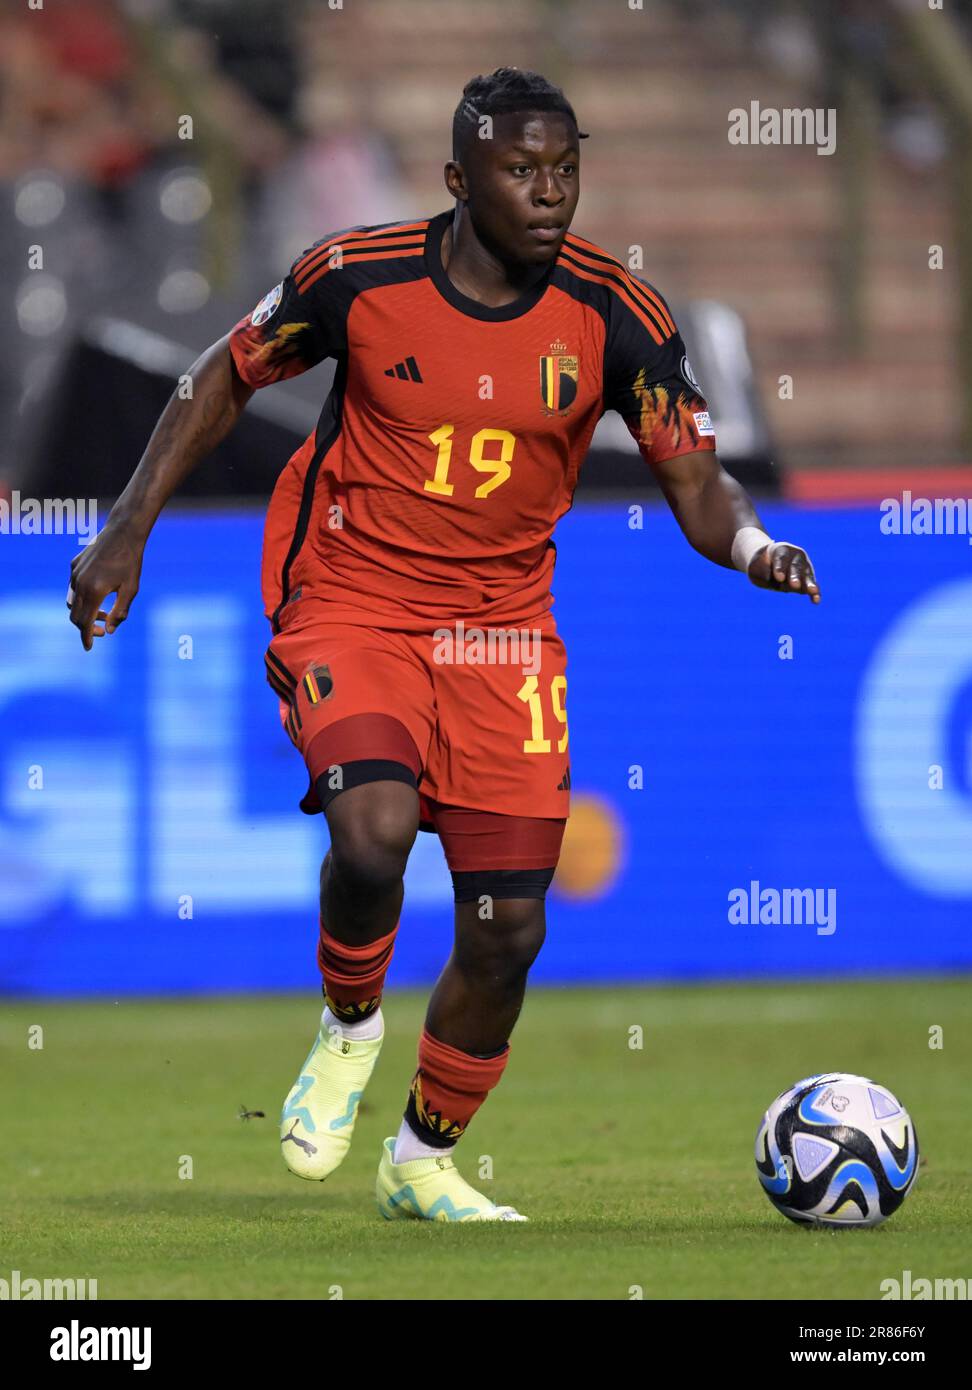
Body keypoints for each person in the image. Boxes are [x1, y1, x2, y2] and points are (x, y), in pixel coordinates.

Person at [68, 67, 819, 1223]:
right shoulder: (354, 277)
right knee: (374, 831)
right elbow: (220, 374)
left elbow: (697, 480)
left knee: (508, 925)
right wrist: (126, 528)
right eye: (522, 171)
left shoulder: (620, 311)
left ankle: (421, 1157)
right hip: (352, 594)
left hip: (505, 632)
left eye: (566, 169)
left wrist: (759, 548)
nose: (550, 192)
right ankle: (350, 1024)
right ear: (460, 178)